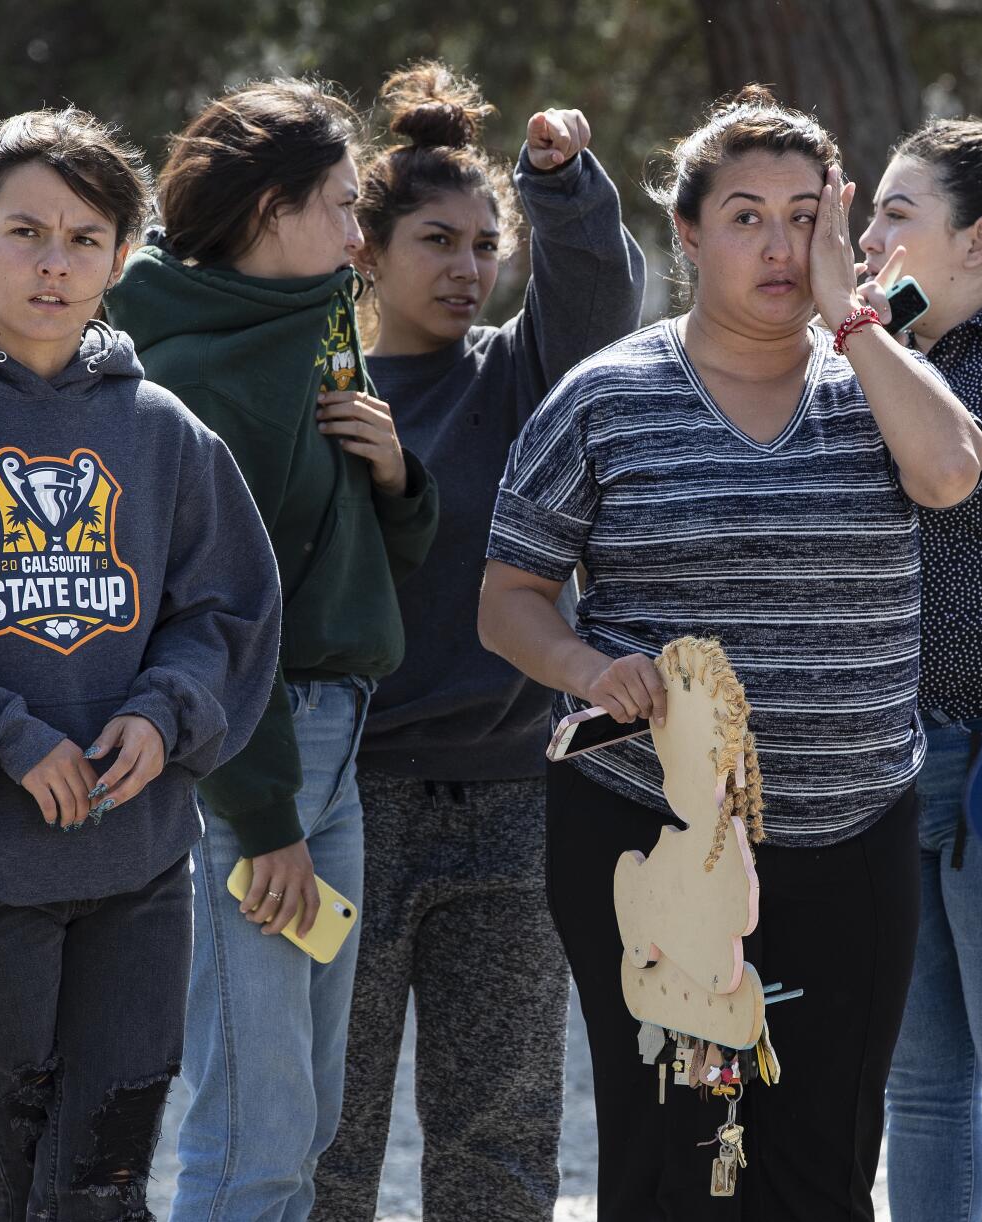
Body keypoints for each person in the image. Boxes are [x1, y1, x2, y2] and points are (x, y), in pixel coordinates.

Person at [477, 86, 982, 1221]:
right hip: (653, 835)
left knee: (824, 1156)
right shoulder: (607, 398)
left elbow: (951, 474)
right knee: (673, 1153)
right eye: (747, 215)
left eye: (806, 215)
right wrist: (583, 669)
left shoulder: (879, 376)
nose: (778, 242)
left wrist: (854, 323)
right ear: (690, 234)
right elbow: (509, 598)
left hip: (854, 831)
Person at [0, 108, 282, 1221]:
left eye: (85, 238)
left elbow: (231, 610)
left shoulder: (165, 432)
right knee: (19, 1176)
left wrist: (169, 714)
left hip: (137, 880)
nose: (54, 264)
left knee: (106, 1175)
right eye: (25, 232)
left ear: (123, 257)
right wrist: (2, 734)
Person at [311, 61, 645, 1222]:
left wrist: (560, 186)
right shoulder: (316, 392)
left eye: (485, 243)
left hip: (514, 802)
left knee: (499, 1139)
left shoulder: (522, 378)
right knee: (326, 1134)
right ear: (366, 250)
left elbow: (598, 297)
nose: (467, 268)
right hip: (345, 804)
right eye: (437, 241)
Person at [104, 78, 439, 1222]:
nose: (361, 236)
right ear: (265, 211)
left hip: (330, 744)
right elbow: (207, 626)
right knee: (251, 1128)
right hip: (256, 754)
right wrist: (267, 821)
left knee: (302, 1117)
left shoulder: (318, 326)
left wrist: (394, 470)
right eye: (343, 206)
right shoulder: (197, 377)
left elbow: (370, 563)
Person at [858, 116, 982, 1222]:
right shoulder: (879, 358)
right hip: (890, 765)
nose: (867, 237)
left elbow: (963, 487)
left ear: (980, 243)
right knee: (918, 1090)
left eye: (896, 213)